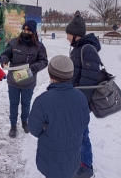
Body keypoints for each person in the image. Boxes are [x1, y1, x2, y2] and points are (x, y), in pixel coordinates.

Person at [28, 55, 90, 178]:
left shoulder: (42, 101)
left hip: (50, 159)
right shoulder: (81, 97)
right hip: (72, 157)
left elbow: (34, 129)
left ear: (50, 75)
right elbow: (84, 122)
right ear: (71, 75)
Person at [66, 11, 100, 178]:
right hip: (75, 99)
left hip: (81, 102)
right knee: (77, 133)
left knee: (82, 135)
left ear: (75, 35)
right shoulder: (78, 49)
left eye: (68, 34)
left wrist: (79, 103)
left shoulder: (87, 49)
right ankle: (79, 161)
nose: (66, 37)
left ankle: (87, 167)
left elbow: (90, 80)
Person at [0, 20, 48, 138]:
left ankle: (24, 122)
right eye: (24, 30)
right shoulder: (13, 43)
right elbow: (5, 54)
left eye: (28, 31)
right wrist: (4, 61)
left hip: (28, 82)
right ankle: (13, 126)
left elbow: (44, 62)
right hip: (13, 81)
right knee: (13, 104)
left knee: (26, 104)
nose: (25, 33)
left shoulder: (39, 46)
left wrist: (32, 69)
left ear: (33, 32)